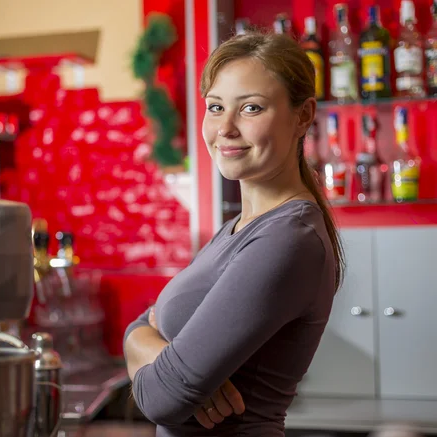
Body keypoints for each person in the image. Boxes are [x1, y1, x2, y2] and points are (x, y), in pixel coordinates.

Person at [123, 29, 345, 436]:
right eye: (215, 106)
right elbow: (140, 325)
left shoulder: (287, 239)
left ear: (303, 116)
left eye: (251, 108)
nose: (225, 128)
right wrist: (144, 342)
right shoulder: (236, 230)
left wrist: (160, 361)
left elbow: (160, 399)